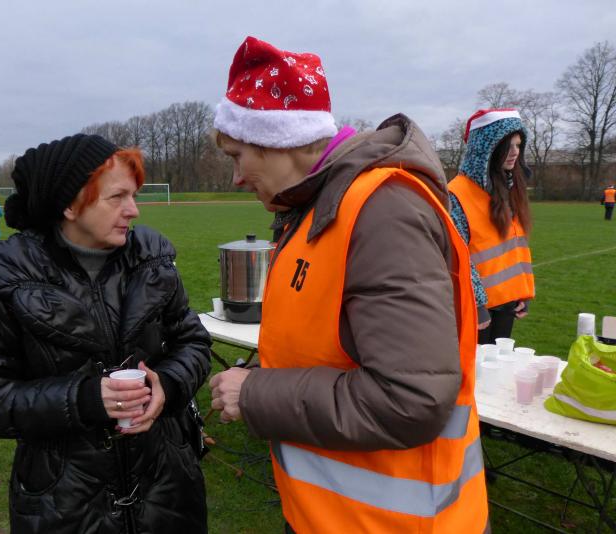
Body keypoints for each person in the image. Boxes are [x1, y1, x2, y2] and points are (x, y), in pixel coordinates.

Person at [208, 36, 488, 533]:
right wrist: (263, 371)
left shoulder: (381, 211)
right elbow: (333, 344)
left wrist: (256, 393)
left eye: (237, 155)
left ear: (276, 140)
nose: (235, 178)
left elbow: (411, 398)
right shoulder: (317, 210)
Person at [0, 133, 211, 533]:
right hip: (65, 503)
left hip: (168, 488)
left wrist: (170, 384)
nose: (133, 210)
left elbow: (192, 341)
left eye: (134, 195)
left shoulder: (152, 256)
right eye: (117, 197)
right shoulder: (7, 273)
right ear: (70, 204)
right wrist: (84, 399)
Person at [449, 109, 534, 344]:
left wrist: (521, 291)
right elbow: (457, 254)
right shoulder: (456, 193)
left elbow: (514, 246)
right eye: (507, 145)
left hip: (507, 302)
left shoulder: (509, 189)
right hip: (478, 307)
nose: (515, 152)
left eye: (518, 145)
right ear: (485, 148)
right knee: (477, 366)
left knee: (500, 363)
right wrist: (476, 304)